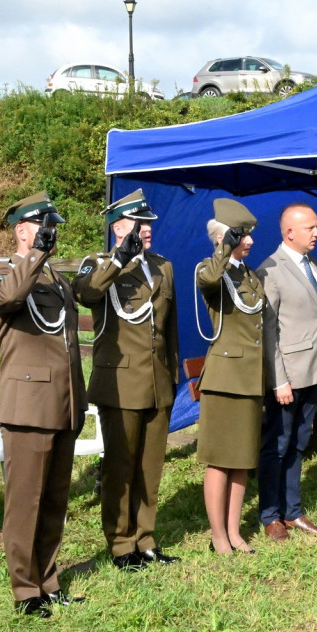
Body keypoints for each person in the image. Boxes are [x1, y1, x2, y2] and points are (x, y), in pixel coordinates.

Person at [0, 192, 88, 617]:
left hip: (62, 402)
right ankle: (25, 590)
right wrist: (36, 256)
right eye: (45, 227)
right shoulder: (5, 272)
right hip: (28, 404)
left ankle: (48, 578)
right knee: (26, 500)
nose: (54, 234)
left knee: (54, 498)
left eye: (55, 227)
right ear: (23, 230)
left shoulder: (56, 280)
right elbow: (8, 299)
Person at [73, 189, 181, 571]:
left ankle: (145, 538)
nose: (148, 229)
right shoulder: (97, 263)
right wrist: (120, 258)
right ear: (119, 226)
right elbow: (85, 293)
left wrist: (173, 375)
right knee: (121, 465)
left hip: (157, 380)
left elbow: (170, 329)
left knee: (150, 466)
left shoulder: (162, 266)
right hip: (120, 382)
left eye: (149, 222)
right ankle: (121, 543)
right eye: (140, 222)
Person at [195, 199, 269, 555]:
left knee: (241, 460)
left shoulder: (249, 275)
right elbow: (209, 279)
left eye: (250, 234)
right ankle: (217, 535)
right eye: (242, 235)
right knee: (220, 460)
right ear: (223, 237)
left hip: (249, 378)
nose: (250, 241)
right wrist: (225, 247)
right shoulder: (211, 270)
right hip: (224, 378)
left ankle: (234, 530)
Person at [256, 203, 317, 542]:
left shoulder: (310, 264)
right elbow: (268, 332)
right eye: (310, 228)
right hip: (287, 377)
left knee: (299, 443)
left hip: (313, 371)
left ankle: (293, 511)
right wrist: (279, 380)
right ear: (290, 232)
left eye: (316, 227)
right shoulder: (271, 270)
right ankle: (270, 515)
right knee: (278, 444)